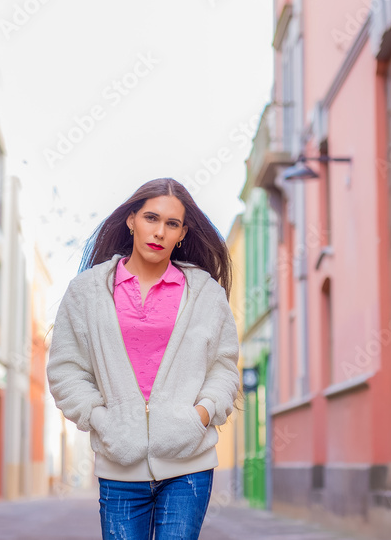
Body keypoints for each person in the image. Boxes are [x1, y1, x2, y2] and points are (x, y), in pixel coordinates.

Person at [46, 177, 244, 540]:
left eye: (172, 224)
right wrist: (100, 418)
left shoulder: (204, 293)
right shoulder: (87, 291)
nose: (159, 232)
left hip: (189, 466)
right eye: (151, 218)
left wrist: (199, 415)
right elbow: (66, 369)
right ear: (131, 220)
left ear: (182, 233)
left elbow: (224, 367)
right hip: (120, 464)